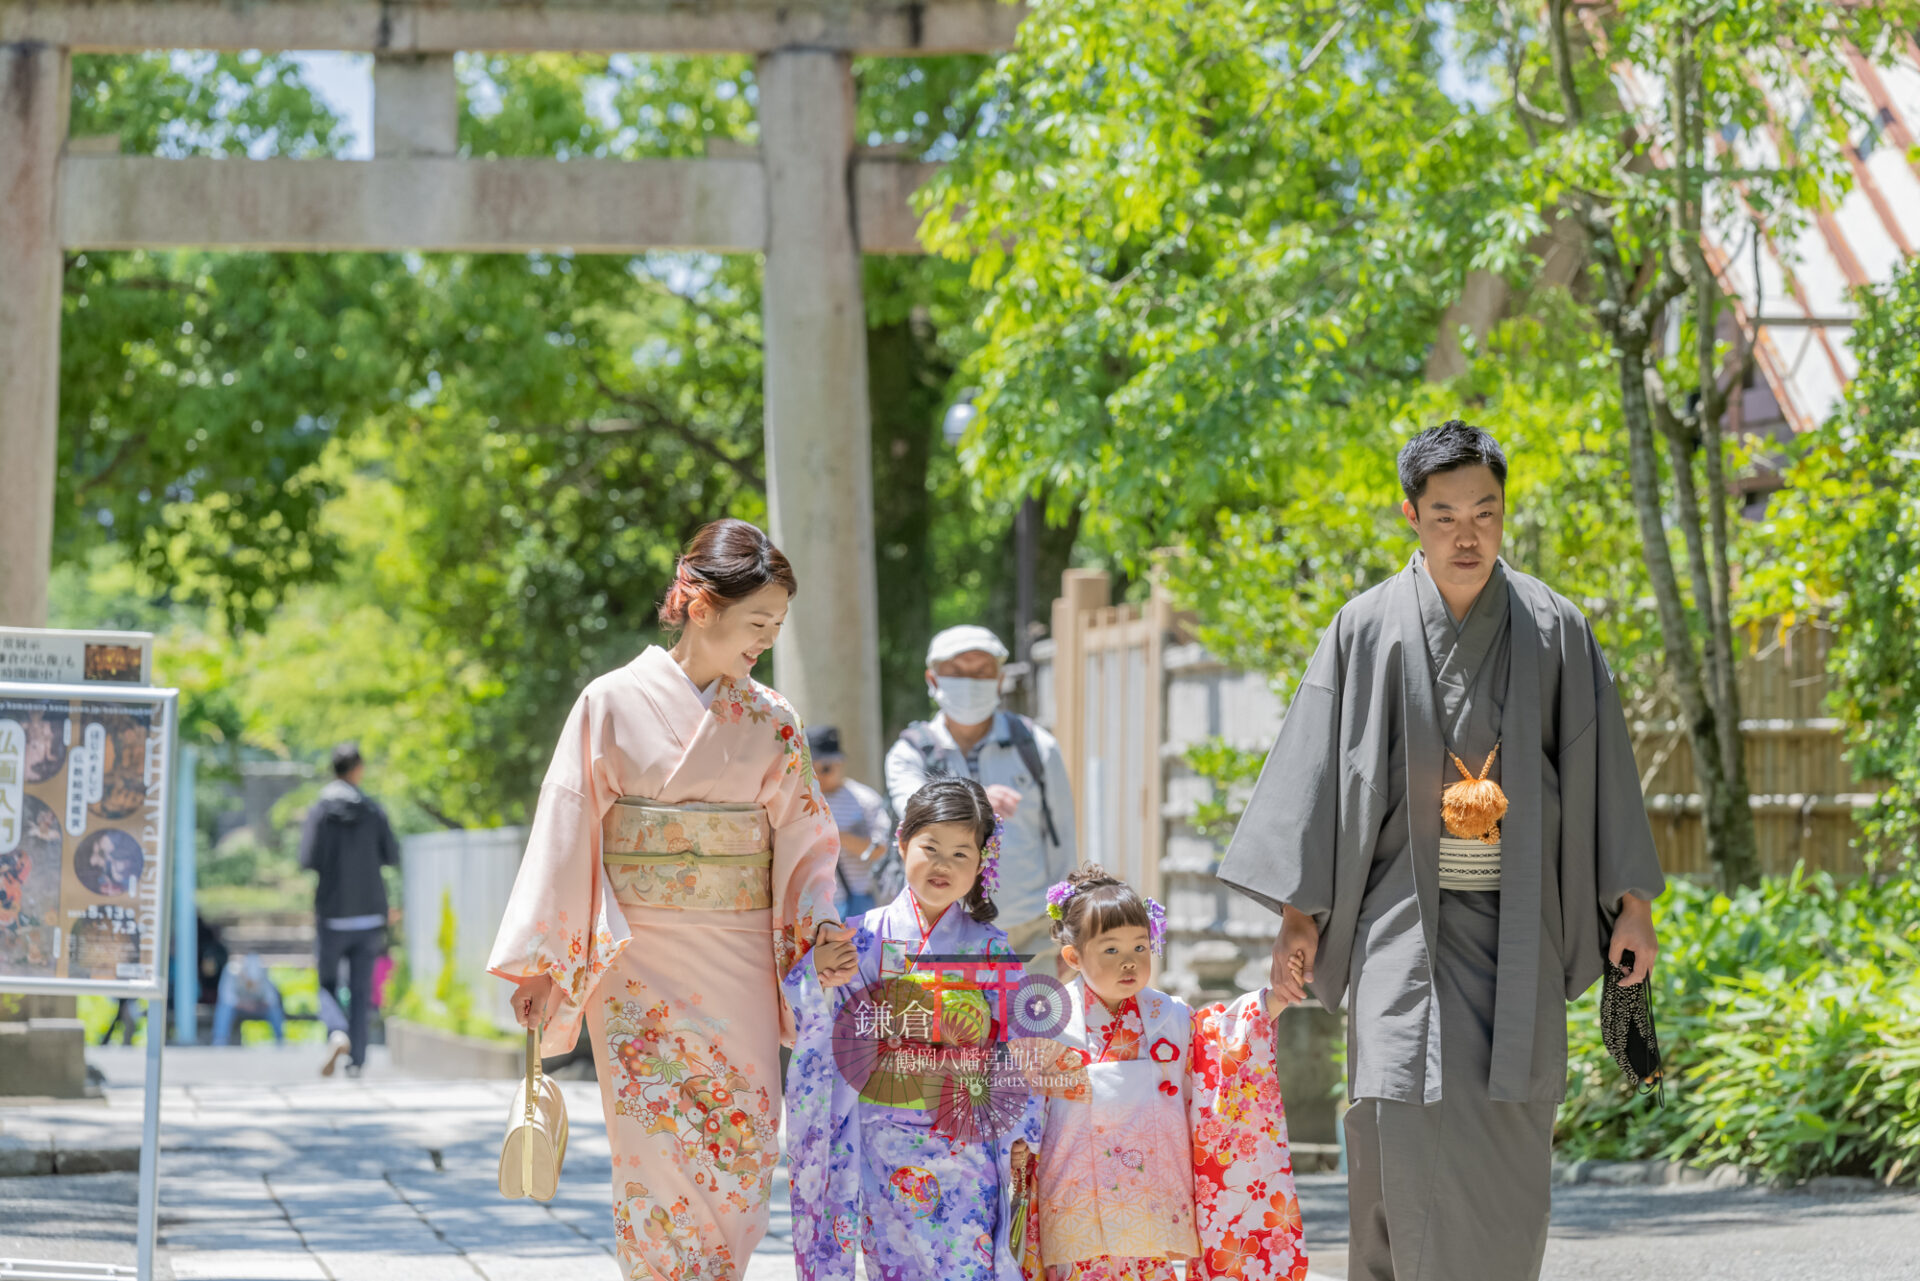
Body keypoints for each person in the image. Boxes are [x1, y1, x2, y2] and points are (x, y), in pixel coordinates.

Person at [1217, 420, 1666, 1281]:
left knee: (1509, 1130)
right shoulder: (1366, 628)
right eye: (1445, 514)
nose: (1467, 534)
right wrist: (1297, 920)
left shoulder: (1554, 626)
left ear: (1505, 514)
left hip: (1522, 920)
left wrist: (1632, 905)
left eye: (1485, 513)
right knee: (1393, 1105)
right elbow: (1316, 778)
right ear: (1411, 516)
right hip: (1396, 921)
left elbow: (1605, 766)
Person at [488, 518, 853, 1280]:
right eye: (757, 622)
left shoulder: (772, 718)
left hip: (742, 955)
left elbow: (807, 841)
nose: (765, 640)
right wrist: (546, 962)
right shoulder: (610, 702)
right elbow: (567, 825)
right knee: (654, 1150)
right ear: (699, 605)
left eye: (776, 626)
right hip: (639, 964)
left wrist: (819, 923)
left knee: (746, 1137)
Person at [784, 776, 1043, 1281]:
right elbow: (809, 1016)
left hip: (965, 1147)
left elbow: (1019, 1051)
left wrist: (1021, 1133)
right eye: (931, 847)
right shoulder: (859, 939)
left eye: (961, 853)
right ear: (902, 842)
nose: (943, 865)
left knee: (968, 1266)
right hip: (883, 1146)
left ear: (981, 863)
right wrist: (819, 973)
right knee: (894, 1268)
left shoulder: (992, 950)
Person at [1028, 866, 1309, 1281]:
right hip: (1074, 1196)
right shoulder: (1049, 1022)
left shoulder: (1169, 1016)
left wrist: (1270, 1003)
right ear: (1073, 957)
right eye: (1111, 950)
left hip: (1150, 1202)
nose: (1129, 963)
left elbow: (1220, 1047)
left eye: (1140, 948)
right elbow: (1025, 1109)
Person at [886, 625, 1077, 976]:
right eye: (957, 672)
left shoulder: (1036, 746)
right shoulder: (909, 753)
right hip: (941, 930)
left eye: (981, 672)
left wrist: (1067, 927)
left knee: (1032, 1031)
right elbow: (912, 810)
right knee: (953, 1030)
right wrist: (975, 802)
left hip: (1029, 930)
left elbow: (1062, 839)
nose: (970, 682)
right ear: (933, 678)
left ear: (1000, 678)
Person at [299, 741, 400, 1079]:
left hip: (332, 914)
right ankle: (357, 1060)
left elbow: (308, 859)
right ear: (358, 769)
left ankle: (336, 1032)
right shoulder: (372, 810)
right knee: (360, 988)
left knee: (327, 983)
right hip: (370, 913)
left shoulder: (320, 811)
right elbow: (392, 855)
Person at [809, 725, 893, 919]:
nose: (819, 774)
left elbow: (881, 849)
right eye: (812, 767)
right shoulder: (798, 801)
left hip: (854, 901)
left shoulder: (865, 800)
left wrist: (837, 837)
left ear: (840, 763)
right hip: (811, 901)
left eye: (825, 767)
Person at [211, 953, 287, 1046]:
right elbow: (226, 997)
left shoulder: (263, 973)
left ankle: (280, 1039)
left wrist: (257, 1005)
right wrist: (244, 1004)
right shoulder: (232, 971)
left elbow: (271, 998)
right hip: (238, 1008)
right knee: (224, 1008)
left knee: (274, 1009)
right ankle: (220, 1039)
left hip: (257, 1008)